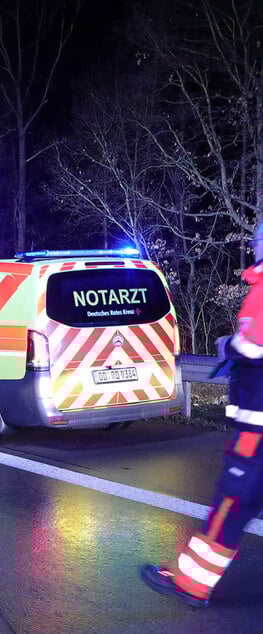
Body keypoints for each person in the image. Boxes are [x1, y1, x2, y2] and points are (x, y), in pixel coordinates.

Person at [141, 219, 263, 608]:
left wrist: (230, 345)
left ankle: (192, 582)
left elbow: (254, 347)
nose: (253, 248)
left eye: (256, 241)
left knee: (232, 502)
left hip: (257, 430)